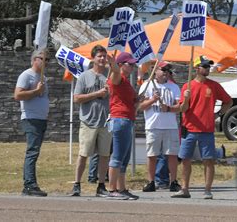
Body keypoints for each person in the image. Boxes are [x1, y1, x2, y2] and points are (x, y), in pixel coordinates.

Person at [171, 55, 232, 199]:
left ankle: (207, 190)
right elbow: (183, 108)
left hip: (207, 129)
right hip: (189, 128)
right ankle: (185, 189)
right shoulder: (188, 86)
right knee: (185, 160)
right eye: (204, 66)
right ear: (197, 68)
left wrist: (218, 114)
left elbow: (228, 102)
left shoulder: (214, 85)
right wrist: (185, 98)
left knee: (208, 160)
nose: (207, 69)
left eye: (208, 66)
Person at [70, 45, 111, 197]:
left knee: (104, 155)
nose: (102, 59)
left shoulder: (109, 76)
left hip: (105, 122)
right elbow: (77, 98)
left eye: (104, 56)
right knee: (84, 154)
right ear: (93, 58)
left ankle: (101, 185)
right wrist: (97, 94)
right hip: (88, 121)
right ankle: (77, 184)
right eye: (99, 56)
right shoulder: (84, 76)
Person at [138, 61, 182, 192]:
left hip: (170, 126)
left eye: (167, 70)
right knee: (152, 155)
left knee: (172, 155)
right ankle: (151, 181)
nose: (165, 72)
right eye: (162, 70)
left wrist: (168, 108)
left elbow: (179, 107)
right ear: (155, 71)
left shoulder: (174, 87)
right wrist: (152, 100)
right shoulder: (147, 85)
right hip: (153, 126)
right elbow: (140, 106)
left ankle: (173, 181)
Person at [14, 49, 49, 197]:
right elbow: (18, 95)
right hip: (31, 118)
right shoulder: (26, 75)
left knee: (35, 151)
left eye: (47, 60)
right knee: (32, 152)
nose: (45, 62)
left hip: (41, 118)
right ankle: (29, 184)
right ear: (35, 59)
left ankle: (30, 184)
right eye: (42, 58)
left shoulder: (43, 78)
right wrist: (35, 91)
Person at [106, 52, 139, 200]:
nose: (132, 66)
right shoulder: (117, 77)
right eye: (129, 64)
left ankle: (121, 188)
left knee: (124, 157)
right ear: (120, 65)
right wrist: (113, 64)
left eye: (133, 64)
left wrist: (139, 100)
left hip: (127, 119)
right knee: (118, 155)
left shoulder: (126, 81)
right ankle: (112, 189)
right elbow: (114, 73)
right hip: (120, 119)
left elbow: (133, 103)